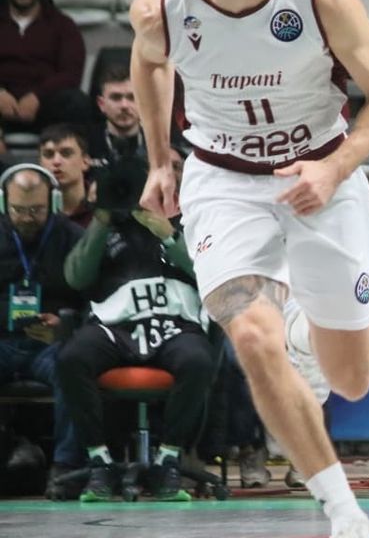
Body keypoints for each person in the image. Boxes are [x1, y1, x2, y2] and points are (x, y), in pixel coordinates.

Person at [129, 0, 369, 537]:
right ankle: (344, 511)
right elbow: (150, 63)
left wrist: (334, 168)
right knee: (251, 337)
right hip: (223, 180)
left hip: (321, 172)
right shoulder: (162, 8)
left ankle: (304, 328)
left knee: (352, 379)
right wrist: (159, 158)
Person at [59, 161, 215, 502]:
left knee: (198, 361)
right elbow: (76, 277)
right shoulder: (104, 228)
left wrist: (167, 233)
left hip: (174, 324)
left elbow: (209, 272)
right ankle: (100, 461)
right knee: (72, 358)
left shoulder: (185, 223)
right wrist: (101, 220)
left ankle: (167, 459)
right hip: (115, 326)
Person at [0, 165, 86, 484]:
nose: (26, 218)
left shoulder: (73, 238)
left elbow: (93, 298)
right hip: (3, 341)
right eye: (18, 210)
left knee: (74, 366)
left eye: (36, 210)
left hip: (50, 345)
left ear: (53, 203)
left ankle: (66, 467)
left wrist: (65, 322)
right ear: (3, 204)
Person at [0, 0, 93, 149]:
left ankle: (69, 161)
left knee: (77, 103)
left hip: (46, 107)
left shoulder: (63, 25)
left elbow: (71, 73)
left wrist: (37, 96)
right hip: (2, 104)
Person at [87, 61, 145, 169]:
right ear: (101, 104)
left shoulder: (160, 144)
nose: (124, 105)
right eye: (116, 97)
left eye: (132, 97)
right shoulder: (85, 145)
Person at [38, 124, 94, 228]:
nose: (56, 161)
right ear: (40, 164)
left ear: (85, 162)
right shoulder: (32, 207)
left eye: (66, 153)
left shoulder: (103, 205)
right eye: (49, 154)